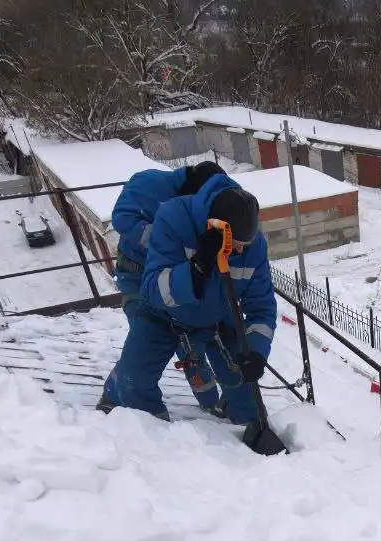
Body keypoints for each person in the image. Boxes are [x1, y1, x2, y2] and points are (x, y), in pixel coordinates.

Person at [99, 174, 276, 436]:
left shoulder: (254, 246)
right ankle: (159, 441)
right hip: (162, 317)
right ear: (217, 228)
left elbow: (261, 307)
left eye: (246, 244)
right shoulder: (173, 218)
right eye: (236, 244)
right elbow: (153, 289)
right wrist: (194, 271)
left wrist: (257, 353)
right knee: (134, 381)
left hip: (217, 316)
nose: (241, 250)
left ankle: (248, 433)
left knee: (244, 389)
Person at [108, 160, 225, 414]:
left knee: (191, 347)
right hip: (137, 278)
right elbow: (122, 219)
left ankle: (211, 404)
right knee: (143, 346)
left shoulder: (202, 206)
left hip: (174, 279)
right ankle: (112, 397)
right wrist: (167, 237)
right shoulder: (147, 183)